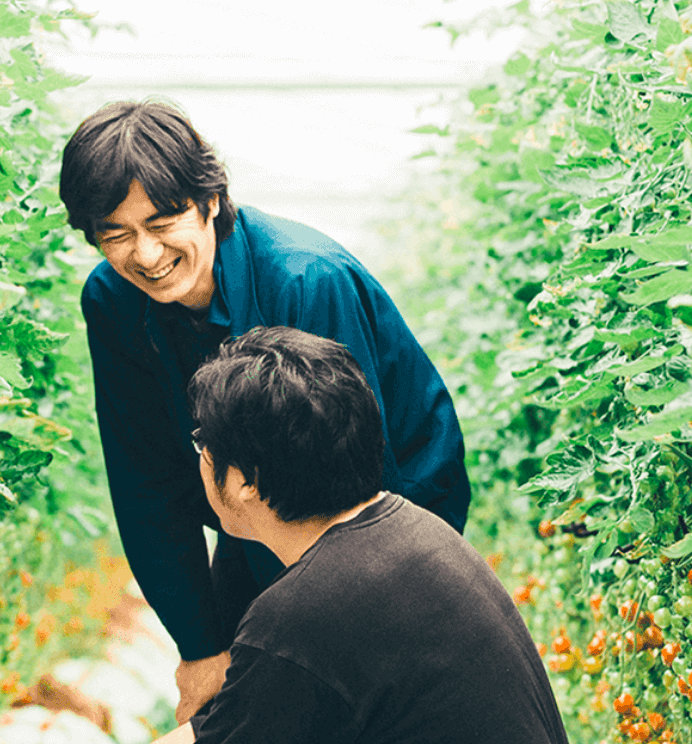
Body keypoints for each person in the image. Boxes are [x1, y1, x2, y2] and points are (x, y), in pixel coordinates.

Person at [0, 327, 566, 744]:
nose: (197, 459)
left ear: (243, 481)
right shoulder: (407, 534)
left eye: (202, 445)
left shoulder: (306, 612)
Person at [60, 99, 471, 720]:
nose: (144, 254)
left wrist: (301, 657)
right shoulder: (114, 303)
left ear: (211, 202)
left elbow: (353, 493)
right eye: (115, 234)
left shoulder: (305, 282)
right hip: (256, 517)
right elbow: (145, 482)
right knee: (233, 697)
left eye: (162, 222)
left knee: (342, 701)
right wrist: (201, 648)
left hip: (387, 513)